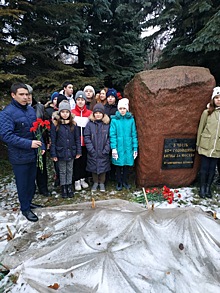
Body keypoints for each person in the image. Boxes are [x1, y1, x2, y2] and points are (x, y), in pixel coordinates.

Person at [0, 83, 45, 222]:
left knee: (31, 182)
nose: (25, 97)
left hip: (33, 154)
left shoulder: (30, 110)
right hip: (19, 156)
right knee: (23, 183)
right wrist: (29, 144)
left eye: (27, 94)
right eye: (22, 94)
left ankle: (29, 202)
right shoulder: (7, 113)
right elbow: (6, 136)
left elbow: (36, 129)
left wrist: (41, 145)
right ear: (13, 95)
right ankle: (25, 209)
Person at [50, 100, 81, 198]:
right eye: (63, 112)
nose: (65, 114)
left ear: (69, 113)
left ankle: (69, 186)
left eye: (67, 112)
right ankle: (63, 187)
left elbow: (77, 139)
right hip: (61, 152)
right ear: (59, 113)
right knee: (62, 170)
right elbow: (53, 140)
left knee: (70, 169)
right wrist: (53, 154)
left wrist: (78, 151)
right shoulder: (55, 125)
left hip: (71, 151)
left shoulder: (73, 125)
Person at [26, 84, 51, 197]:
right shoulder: (19, 109)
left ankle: (43, 188)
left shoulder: (39, 107)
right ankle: (30, 189)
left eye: (30, 94)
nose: (28, 97)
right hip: (26, 142)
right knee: (30, 168)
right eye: (25, 95)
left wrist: (48, 139)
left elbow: (46, 122)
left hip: (40, 140)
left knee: (42, 166)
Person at [196, 86, 220, 198]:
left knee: (212, 169)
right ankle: (202, 188)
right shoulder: (207, 112)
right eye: (216, 97)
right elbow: (201, 127)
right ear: (213, 99)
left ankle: (208, 188)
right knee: (204, 167)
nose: (218, 100)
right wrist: (198, 143)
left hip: (217, 146)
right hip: (206, 145)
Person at [110, 98, 138, 190]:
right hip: (118, 146)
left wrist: (135, 148)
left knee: (126, 165)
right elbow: (112, 134)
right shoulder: (114, 120)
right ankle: (119, 182)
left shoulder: (131, 120)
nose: (122, 110)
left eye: (124, 108)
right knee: (118, 165)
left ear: (127, 109)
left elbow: (134, 134)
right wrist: (113, 148)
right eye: (120, 108)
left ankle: (125, 181)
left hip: (128, 146)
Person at [84, 103, 111, 192]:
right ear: (93, 114)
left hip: (104, 150)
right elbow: (87, 137)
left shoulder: (107, 124)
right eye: (96, 113)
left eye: (100, 113)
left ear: (103, 114)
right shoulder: (90, 124)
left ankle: (102, 182)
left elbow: (110, 138)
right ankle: (95, 182)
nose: (98, 115)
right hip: (93, 150)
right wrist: (91, 149)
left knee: (103, 167)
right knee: (93, 167)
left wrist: (107, 149)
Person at [71, 91, 92, 191]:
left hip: (85, 143)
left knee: (84, 161)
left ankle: (83, 179)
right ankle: (76, 180)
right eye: (78, 100)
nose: (80, 102)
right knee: (76, 162)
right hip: (75, 142)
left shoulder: (89, 113)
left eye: (82, 100)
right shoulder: (72, 113)